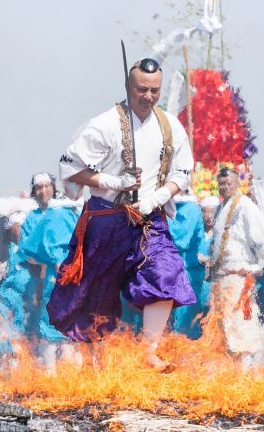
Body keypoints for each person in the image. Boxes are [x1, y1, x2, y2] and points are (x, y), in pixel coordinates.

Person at [48, 57, 195, 371]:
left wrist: (158, 196)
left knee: (165, 271)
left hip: (148, 219)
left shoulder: (171, 125)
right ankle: (93, 363)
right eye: (142, 89)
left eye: (155, 90)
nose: (149, 96)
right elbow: (70, 168)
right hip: (106, 217)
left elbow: (182, 172)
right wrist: (112, 181)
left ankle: (149, 351)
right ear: (130, 87)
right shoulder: (103, 124)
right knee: (95, 292)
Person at [0, 172, 78, 367]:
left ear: (53, 187)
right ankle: (48, 373)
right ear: (34, 191)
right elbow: (28, 251)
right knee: (46, 325)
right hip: (46, 278)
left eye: (47, 186)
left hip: (72, 275)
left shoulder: (66, 211)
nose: (43, 190)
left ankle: (72, 374)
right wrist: (48, 264)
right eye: (39, 187)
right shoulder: (32, 218)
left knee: (72, 326)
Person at [204, 168, 264, 367]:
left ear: (238, 184)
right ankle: (230, 370)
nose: (224, 187)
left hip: (238, 275)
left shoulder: (245, 205)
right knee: (223, 324)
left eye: (228, 183)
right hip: (221, 276)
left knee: (240, 322)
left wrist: (256, 267)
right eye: (221, 183)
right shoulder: (220, 208)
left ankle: (245, 371)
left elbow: (263, 240)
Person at [169, 193, 206, 339]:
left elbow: (180, 240)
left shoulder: (190, 207)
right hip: (170, 274)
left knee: (185, 328)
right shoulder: (166, 205)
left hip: (187, 275)